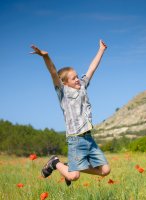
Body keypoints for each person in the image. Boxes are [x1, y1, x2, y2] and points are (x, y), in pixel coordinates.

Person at [30, 40, 110, 186]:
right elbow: (53, 72)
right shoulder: (63, 92)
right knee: (74, 176)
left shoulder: (83, 86)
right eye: (73, 78)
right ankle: (55, 163)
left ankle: (68, 166)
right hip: (75, 139)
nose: (77, 79)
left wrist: (101, 50)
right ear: (65, 82)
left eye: (77, 76)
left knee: (105, 170)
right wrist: (45, 56)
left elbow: (92, 69)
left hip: (88, 138)